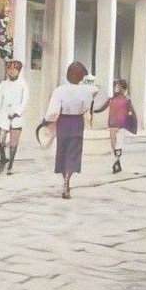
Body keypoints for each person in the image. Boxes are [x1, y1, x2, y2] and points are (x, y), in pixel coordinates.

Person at [43, 61, 97, 200]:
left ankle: (64, 181)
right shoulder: (86, 91)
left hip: (63, 122)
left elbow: (54, 110)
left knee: (62, 152)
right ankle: (68, 180)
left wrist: (47, 120)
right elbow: (87, 107)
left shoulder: (60, 90)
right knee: (73, 154)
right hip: (77, 122)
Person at [0, 59, 28, 175]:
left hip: (16, 115)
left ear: (18, 71)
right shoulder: (3, 84)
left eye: (14, 70)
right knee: (0, 140)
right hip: (3, 114)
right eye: (9, 70)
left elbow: (24, 101)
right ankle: (3, 158)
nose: (11, 72)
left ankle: (10, 165)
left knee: (13, 143)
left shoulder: (23, 84)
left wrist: (17, 112)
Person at [94, 78, 137, 174]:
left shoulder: (126, 100)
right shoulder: (111, 99)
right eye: (116, 86)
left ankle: (116, 162)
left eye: (118, 87)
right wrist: (94, 110)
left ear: (123, 88)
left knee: (119, 145)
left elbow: (131, 112)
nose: (116, 88)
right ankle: (117, 161)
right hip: (112, 125)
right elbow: (102, 107)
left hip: (121, 126)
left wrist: (130, 118)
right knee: (113, 145)